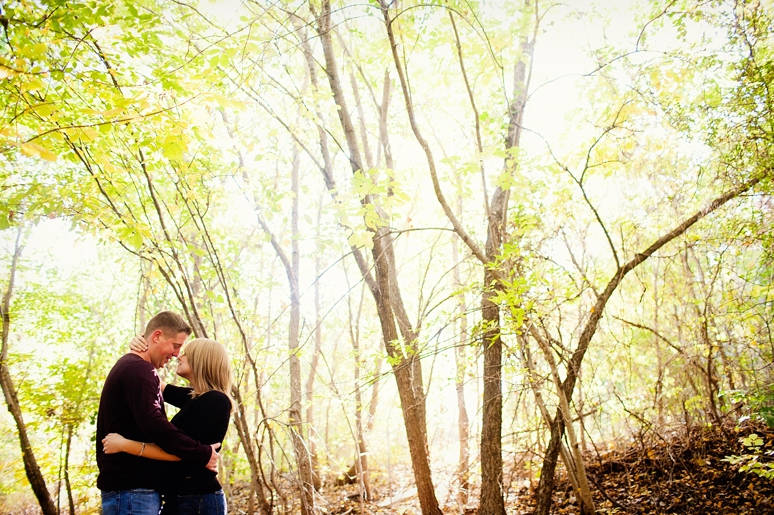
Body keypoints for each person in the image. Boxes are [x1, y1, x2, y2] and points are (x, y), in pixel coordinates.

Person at [96, 311, 219, 515]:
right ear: (157, 336)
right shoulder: (138, 370)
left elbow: (197, 398)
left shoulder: (137, 369)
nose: (177, 354)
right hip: (132, 492)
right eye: (176, 345)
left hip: (133, 492)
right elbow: (154, 425)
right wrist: (202, 453)